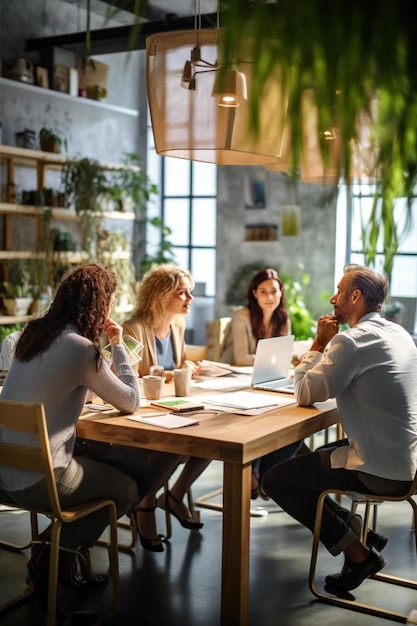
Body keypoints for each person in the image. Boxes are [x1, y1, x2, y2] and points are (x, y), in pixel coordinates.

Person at [0, 263, 149, 619]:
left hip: (4, 475)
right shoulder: (81, 350)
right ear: (99, 305)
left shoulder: (31, 336)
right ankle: (55, 553)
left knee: (109, 462)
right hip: (40, 481)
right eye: (110, 303)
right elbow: (131, 401)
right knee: (128, 488)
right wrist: (117, 345)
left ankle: (61, 554)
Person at [262, 264, 417, 593]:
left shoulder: (350, 342)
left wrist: (318, 344)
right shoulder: (399, 333)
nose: (333, 299)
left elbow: (305, 393)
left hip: (382, 470)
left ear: (356, 296)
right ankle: (352, 526)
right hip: (407, 459)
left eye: (339, 292)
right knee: (316, 456)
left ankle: (358, 553)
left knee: (275, 480)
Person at [122, 264, 209, 551]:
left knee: (212, 437)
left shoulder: (177, 327)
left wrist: (185, 367)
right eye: (182, 292)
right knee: (183, 440)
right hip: (141, 422)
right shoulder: (132, 328)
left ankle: (175, 494)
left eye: (190, 292)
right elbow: (126, 379)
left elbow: (176, 367)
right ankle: (145, 503)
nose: (190, 298)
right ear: (160, 296)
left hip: (171, 412)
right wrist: (171, 374)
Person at [220, 268, 307, 499]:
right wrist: (282, 357)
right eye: (263, 291)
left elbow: (280, 356)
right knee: (259, 420)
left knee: (290, 418)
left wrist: (291, 357)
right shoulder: (242, 316)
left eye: (274, 291)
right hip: (232, 380)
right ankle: (256, 473)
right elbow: (240, 357)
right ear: (254, 294)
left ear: (281, 292)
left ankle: (265, 473)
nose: (270, 296)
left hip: (266, 379)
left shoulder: (283, 318)